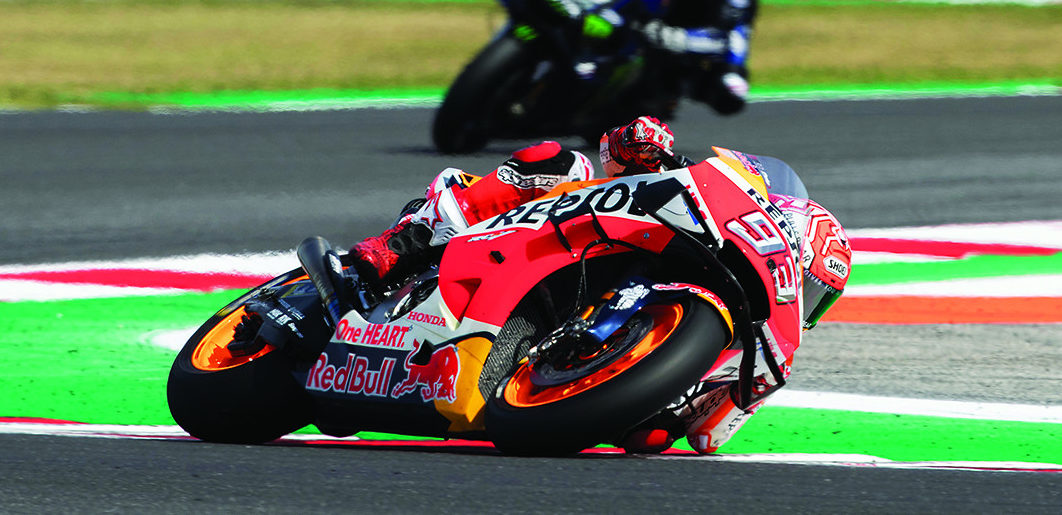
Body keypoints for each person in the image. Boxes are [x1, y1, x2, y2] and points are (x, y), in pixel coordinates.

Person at [350, 115, 851, 454]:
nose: (796, 290)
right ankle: (400, 243)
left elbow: (679, 438)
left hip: (534, 401)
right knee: (561, 162)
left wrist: (677, 408)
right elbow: (618, 153)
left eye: (812, 292)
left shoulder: (750, 372)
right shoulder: (685, 200)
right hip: (546, 246)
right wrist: (647, 153)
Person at [547, 0, 757, 115]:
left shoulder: (736, 5)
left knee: (731, 93)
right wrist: (608, 17)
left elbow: (735, 36)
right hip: (647, 23)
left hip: (692, 43)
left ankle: (657, 101)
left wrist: (682, 40)